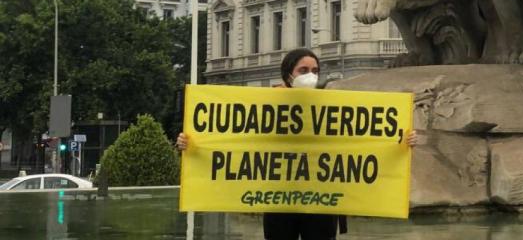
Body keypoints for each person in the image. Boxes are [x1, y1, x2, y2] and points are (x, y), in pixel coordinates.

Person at [176, 48, 419, 239]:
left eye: (315, 69)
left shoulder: (335, 107)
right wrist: (192, 144)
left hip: (322, 203)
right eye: (303, 70)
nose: (310, 75)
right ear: (288, 74)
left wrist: (400, 141)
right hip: (278, 201)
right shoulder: (263, 107)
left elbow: (362, 141)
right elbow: (234, 141)